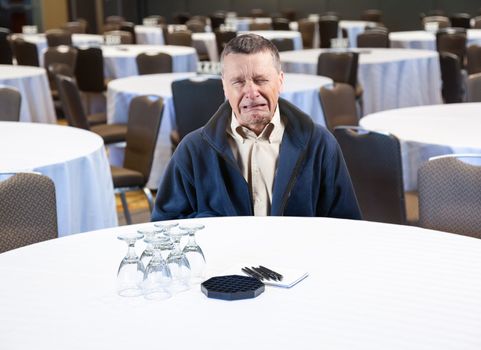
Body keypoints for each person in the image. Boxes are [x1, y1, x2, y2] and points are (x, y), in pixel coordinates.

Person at [152, 34, 361, 220]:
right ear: (224, 87)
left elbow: (346, 226)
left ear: (280, 81)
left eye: (261, 80)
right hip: (223, 262)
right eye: (238, 82)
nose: (251, 92)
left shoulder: (320, 145)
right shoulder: (193, 150)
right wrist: (214, 226)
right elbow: (166, 226)